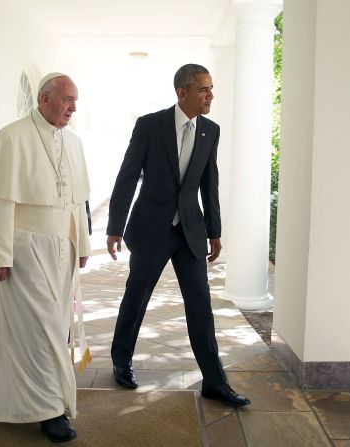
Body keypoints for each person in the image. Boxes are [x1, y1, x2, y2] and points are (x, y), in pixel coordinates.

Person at [106, 63, 250, 408]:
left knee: (201, 305)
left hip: (189, 231)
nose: (210, 96)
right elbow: (128, 176)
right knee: (136, 298)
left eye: (211, 89)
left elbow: (208, 183)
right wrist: (115, 226)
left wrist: (214, 231)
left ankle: (215, 382)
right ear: (181, 92)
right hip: (150, 228)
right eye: (204, 90)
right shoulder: (149, 125)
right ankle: (121, 360)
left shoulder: (210, 131)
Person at [0, 72, 91, 443]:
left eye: (75, 101)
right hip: (24, 247)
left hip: (61, 248)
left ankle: (27, 398)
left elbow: (77, 202)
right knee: (40, 331)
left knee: (55, 326)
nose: (72, 107)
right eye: (67, 99)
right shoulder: (11, 136)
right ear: (44, 99)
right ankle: (50, 410)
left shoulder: (75, 143)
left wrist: (81, 245)